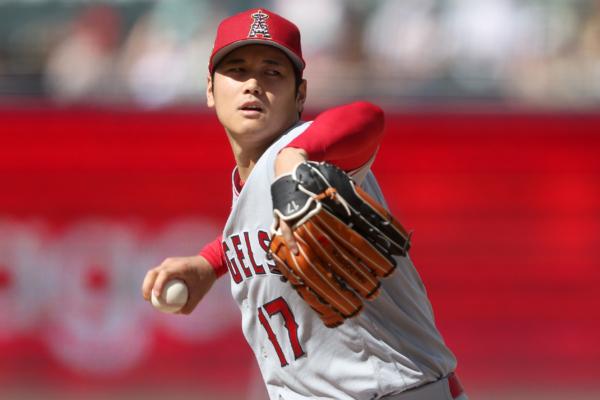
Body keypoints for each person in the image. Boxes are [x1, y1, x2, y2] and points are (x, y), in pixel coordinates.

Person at [142, 8, 466, 400]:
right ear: (210, 90)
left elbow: (367, 117)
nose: (253, 85)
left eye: (272, 73)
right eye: (238, 70)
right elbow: (258, 219)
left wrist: (297, 155)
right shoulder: (255, 182)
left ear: (300, 95)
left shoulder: (308, 156)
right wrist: (210, 264)